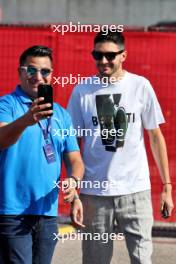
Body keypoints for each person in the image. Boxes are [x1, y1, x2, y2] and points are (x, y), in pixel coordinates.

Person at [67, 30, 174, 264]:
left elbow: (155, 137)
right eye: (97, 55)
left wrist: (167, 187)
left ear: (123, 55)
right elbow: (71, 144)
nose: (103, 61)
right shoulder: (82, 91)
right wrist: (74, 192)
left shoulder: (140, 86)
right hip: (95, 193)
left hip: (136, 191)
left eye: (110, 55)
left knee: (142, 260)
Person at [0, 45, 84, 264]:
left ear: (51, 75)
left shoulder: (62, 114)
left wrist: (74, 185)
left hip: (47, 213)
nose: (38, 77)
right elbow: (2, 138)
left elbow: (75, 160)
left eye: (45, 71)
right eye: (31, 70)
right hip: (12, 211)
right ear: (20, 72)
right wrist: (27, 120)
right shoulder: (6, 104)